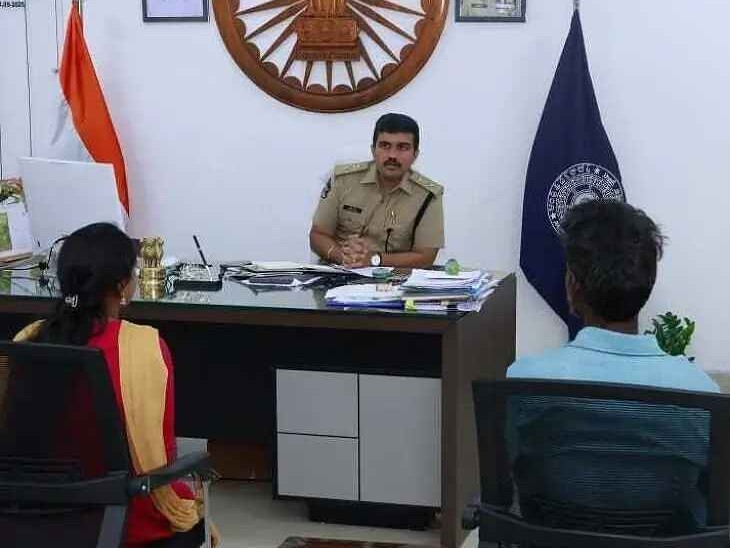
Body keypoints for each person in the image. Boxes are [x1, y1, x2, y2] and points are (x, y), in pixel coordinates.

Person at [507, 199, 719, 529]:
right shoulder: (702, 395)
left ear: (572, 286)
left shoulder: (525, 380)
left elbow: (510, 481)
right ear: (647, 284)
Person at [13, 223, 212, 547]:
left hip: (29, 522)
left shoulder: (28, 338)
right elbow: (160, 458)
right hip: (123, 524)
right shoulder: (144, 347)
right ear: (122, 285)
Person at [310, 113, 444, 268]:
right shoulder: (344, 180)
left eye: (402, 147)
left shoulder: (428, 195)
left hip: (392, 277)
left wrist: (374, 260)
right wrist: (343, 257)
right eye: (385, 146)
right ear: (373, 150)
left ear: (415, 154)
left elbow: (426, 257)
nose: (392, 155)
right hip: (338, 272)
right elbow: (318, 235)